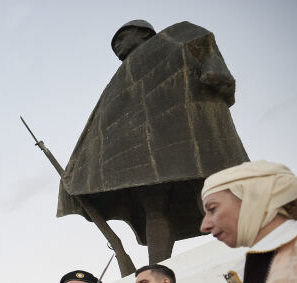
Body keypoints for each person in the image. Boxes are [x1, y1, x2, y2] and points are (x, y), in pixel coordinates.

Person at [58, 20, 247, 264]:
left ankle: (232, 246)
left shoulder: (169, 38)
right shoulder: (119, 78)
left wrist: (214, 68)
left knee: (205, 186)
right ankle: (157, 268)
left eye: (122, 38)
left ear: (144, 33)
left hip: (183, 130)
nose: (117, 46)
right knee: (153, 206)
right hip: (147, 150)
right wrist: (79, 168)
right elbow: (102, 122)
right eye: (114, 44)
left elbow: (202, 41)